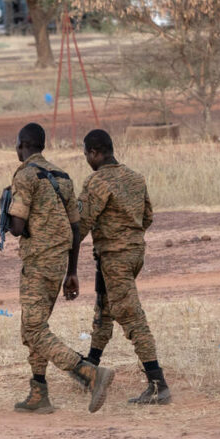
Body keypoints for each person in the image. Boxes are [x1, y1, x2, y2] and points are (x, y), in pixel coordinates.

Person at [7, 123, 115, 414]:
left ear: (22, 146)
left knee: (33, 328)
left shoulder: (25, 175)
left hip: (38, 263)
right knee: (34, 326)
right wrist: (72, 271)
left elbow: (17, 227)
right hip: (58, 264)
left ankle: (88, 373)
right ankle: (38, 391)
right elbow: (76, 227)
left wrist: (5, 211)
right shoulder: (62, 177)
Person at [75, 129, 171, 405]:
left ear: (94, 152)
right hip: (134, 254)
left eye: (86, 154)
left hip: (114, 257)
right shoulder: (135, 177)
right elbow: (148, 217)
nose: (86, 160)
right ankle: (89, 369)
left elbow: (82, 224)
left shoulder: (96, 181)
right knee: (105, 309)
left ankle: (158, 385)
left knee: (131, 317)